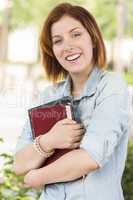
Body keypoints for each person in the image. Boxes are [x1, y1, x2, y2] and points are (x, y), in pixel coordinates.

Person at [13, 3, 130, 200]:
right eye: (58, 41)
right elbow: (19, 163)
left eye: (76, 34)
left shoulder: (112, 86)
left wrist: (36, 177)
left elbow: (90, 158)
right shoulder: (49, 95)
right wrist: (49, 140)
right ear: (53, 50)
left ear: (92, 38)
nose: (67, 46)